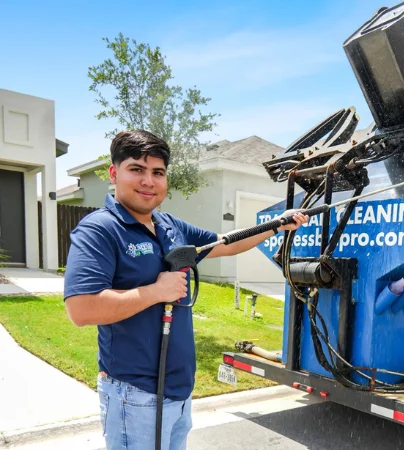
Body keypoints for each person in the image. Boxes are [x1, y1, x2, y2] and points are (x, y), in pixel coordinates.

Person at [63, 130, 308, 450]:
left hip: (179, 391)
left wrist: (277, 224)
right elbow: (81, 309)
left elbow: (226, 244)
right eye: (136, 169)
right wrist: (154, 291)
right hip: (135, 395)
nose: (148, 181)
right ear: (114, 173)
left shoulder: (169, 226)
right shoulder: (100, 230)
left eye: (158, 172)